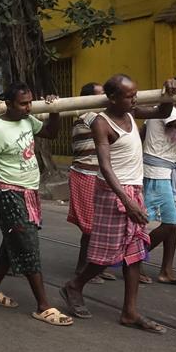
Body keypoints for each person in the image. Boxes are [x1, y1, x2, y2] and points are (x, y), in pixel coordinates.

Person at [60, 74, 176, 334]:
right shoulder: (101, 123)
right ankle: (75, 285)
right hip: (114, 193)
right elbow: (105, 166)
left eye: (135, 94)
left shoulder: (131, 112)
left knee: (134, 252)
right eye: (129, 95)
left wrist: (169, 93)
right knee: (107, 254)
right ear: (112, 98)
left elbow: (162, 110)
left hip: (133, 189)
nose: (134, 98)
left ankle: (130, 311)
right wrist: (126, 201)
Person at [0, 82, 72, 326]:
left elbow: (51, 134)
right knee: (27, 244)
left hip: (29, 193)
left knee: (14, 241)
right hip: (9, 194)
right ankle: (43, 305)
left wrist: (55, 110)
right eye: (23, 104)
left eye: (30, 102)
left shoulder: (27, 120)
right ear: (9, 104)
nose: (28, 107)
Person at [140, 74, 176, 287]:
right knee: (170, 222)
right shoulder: (169, 109)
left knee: (173, 225)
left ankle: (167, 270)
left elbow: (142, 135)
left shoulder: (161, 110)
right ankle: (135, 257)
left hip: (166, 169)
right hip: (157, 171)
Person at [67, 82, 116, 283]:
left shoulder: (96, 118)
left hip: (95, 175)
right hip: (85, 174)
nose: (105, 98)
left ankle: (94, 265)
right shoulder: (88, 118)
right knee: (92, 227)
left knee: (99, 224)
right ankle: (83, 267)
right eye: (101, 95)